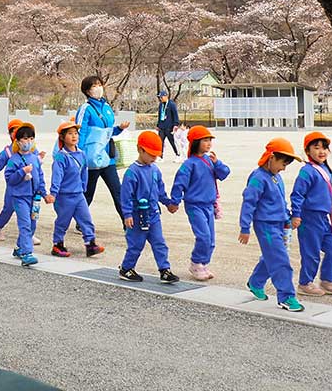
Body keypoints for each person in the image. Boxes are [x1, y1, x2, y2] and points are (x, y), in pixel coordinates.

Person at [239, 137, 304, 312]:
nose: (283, 168)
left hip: (279, 224)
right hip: (265, 225)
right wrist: (245, 227)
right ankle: (286, 296)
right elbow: (248, 203)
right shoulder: (258, 178)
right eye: (283, 164)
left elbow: (280, 201)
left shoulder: (276, 177)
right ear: (272, 157)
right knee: (280, 260)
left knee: (272, 255)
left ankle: (256, 282)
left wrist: (287, 217)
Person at [290, 131, 332, 296]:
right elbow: (297, 195)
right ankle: (305, 283)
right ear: (307, 151)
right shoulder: (306, 171)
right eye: (316, 147)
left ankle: (327, 280)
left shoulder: (325, 169)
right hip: (309, 218)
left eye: (324, 148)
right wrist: (296, 214)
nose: (321, 151)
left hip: (323, 219)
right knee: (311, 253)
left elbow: (325, 192)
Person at [170, 125, 230, 280]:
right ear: (196, 142)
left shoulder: (210, 161)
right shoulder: (189, 164)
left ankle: (203, 263)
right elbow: (179, 183)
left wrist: (217, 163)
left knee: (211, 240)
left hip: (209, 206)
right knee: (203, 236)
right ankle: (196, 263)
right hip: (194, 206)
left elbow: (224, 174)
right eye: (205, 140)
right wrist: (175, 201)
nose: (209, 143)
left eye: (210, 140)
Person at [118, 131, 179, 283]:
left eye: (156, 155)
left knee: (159, 243)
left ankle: (164, 270)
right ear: (140, 149)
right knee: (136, 244)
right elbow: (125, 196)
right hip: (137, 215)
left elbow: (160, 190)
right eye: (151, 154)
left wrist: (168, 203)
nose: (154, 158)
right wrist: (127, 214)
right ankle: (126, 268)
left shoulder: (155, 170)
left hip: (153, 214)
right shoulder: (132, 172)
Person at [76, 75, 129, 225]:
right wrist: (79, 155)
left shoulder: (106, 107)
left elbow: (107, 132)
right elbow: (80, 132)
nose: (98, 88)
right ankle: (81, 222)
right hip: (91, 158)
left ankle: (127, 224)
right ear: (87, 91)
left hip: (107, 157)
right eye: (94, 86)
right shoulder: (86, 109)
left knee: (118, 191)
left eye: (100, 84)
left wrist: (119, 129)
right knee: (88, 193)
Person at [49, 120, 104, 258]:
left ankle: (90, 244)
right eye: (70, 133)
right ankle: (57, 245)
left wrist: (83, 187)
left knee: (86, 219)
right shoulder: (61, 157)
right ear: (62, 137)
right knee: (63, 221)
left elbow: (84, 172)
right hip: (64, 196)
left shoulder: (82, 154)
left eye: (75, 133)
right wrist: (53, 193)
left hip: (78, 194)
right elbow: (57, 176)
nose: (74, 136)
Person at [0, 120, 41, 246]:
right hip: (14, 188)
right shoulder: (8, 151)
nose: (27, 141)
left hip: (31, 190)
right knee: (8, 208)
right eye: (13, 131)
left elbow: (38, 170)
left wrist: (42, 190)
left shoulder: (33, 150)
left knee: (32, 214)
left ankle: (29, 235)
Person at [4, 123, 44, 267]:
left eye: (31, 138)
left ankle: (20, 247)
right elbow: (9, 179)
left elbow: (40, 176)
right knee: (25, 224)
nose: (28, 142)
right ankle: (27, 253)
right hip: (19, 197)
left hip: (34, 197)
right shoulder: (13, 160)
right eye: (25, 139)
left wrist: (44, 192)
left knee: (32, 224)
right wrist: (22, 172)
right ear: (18, 141)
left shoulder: (35, 158)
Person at [156, 90, 180, 158]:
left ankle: (177, 154)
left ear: (166, 96)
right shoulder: (161, 105)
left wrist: (176, 124)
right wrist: (158, 125)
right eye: (160, 97)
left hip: (169, 127)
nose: (160, 99)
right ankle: (160, 156)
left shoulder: (171, 104)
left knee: (172, 141)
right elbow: (160, 115)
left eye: (161, 97)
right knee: (160, 142)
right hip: (162, 127)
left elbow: (175, 115)